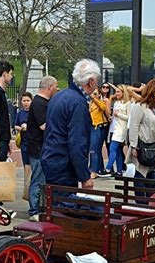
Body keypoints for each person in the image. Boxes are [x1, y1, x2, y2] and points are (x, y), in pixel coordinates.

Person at [41, 59, 101, 191]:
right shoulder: (78, 103)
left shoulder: (60, 95)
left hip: (51, 159)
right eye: (96, 81)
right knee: (65, 205)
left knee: (55, 205)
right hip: (63, 165)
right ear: (91, 81)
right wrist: (85, 177)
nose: (97, 85)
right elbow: (77, 142)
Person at [126, 79, 155, 202]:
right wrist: (133, 145)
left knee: (152, 175)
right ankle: (141, 203)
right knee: (140, 174)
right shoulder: (140, 106)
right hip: (142, 145)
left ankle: (150, 202)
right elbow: (134, 127)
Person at [26, 76, 59, 220]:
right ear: (50, 87)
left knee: (41, 179)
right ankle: (34, 210)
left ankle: (39, 207)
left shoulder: (40, 102)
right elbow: (43, 126)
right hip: (38, 147)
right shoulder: (39, 103)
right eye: (55, 87)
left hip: (39, 147)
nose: (56, 90)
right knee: (38, 180)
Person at [100, 84, 131, 177]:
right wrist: (111, 117)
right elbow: (114, 115)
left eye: (118, 92)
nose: (116, 94)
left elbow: (129, 117)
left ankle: (108, 168)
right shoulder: (117, 103)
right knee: (117, 150)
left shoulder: (127, 103)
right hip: (113, 127)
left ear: (123, 92)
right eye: (116, 91)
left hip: (121, 129)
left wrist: (119, 115)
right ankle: (119, 171)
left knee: (112, 148)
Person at [89, 86, 111, 179]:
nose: (93, 95)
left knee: (94, 150)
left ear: (99, 95)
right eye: (92, 93)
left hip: (97, 127)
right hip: (91, 127)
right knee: (93, 150)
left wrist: (94, 99)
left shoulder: (101, 102)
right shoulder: (90, 103)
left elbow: (102, 108)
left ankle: (94, 171)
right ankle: (97, 168)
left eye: (95, 94)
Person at [15, 92, 33, 197]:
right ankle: (26, 187)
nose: (26, 103)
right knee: (26, 164)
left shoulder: (34, 112)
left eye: (28, 100)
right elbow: (15, 125)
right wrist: (20, 128)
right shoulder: (20, 113)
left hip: (33, 141)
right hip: (24, 142)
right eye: (24, 101)